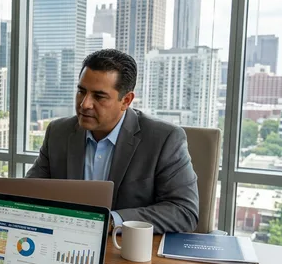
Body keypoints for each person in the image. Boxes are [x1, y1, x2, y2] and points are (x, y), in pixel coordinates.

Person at [26, 49, 199, 234]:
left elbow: (184, 212)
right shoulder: (58, 132)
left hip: (125, 247)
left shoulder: (164, 139)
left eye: (99, 96)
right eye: (81, 91)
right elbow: (27, 194)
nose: (85, 104)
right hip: (64, 242)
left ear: (126, 100)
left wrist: (112, 221)